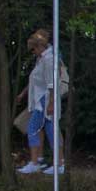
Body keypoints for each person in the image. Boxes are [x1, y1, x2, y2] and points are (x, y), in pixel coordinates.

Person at [15, 29, 65, 175]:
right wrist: (23, 94)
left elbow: (51, 83)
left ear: (39, 47)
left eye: (32, 50)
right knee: (51, 131)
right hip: (40, 98)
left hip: (44, 99)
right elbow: (34, 80)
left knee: (33, 129)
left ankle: (36, 161)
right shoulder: (42, 59)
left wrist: (50, 103)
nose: (32, 53)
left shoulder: (49, 60)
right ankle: (57, 163)